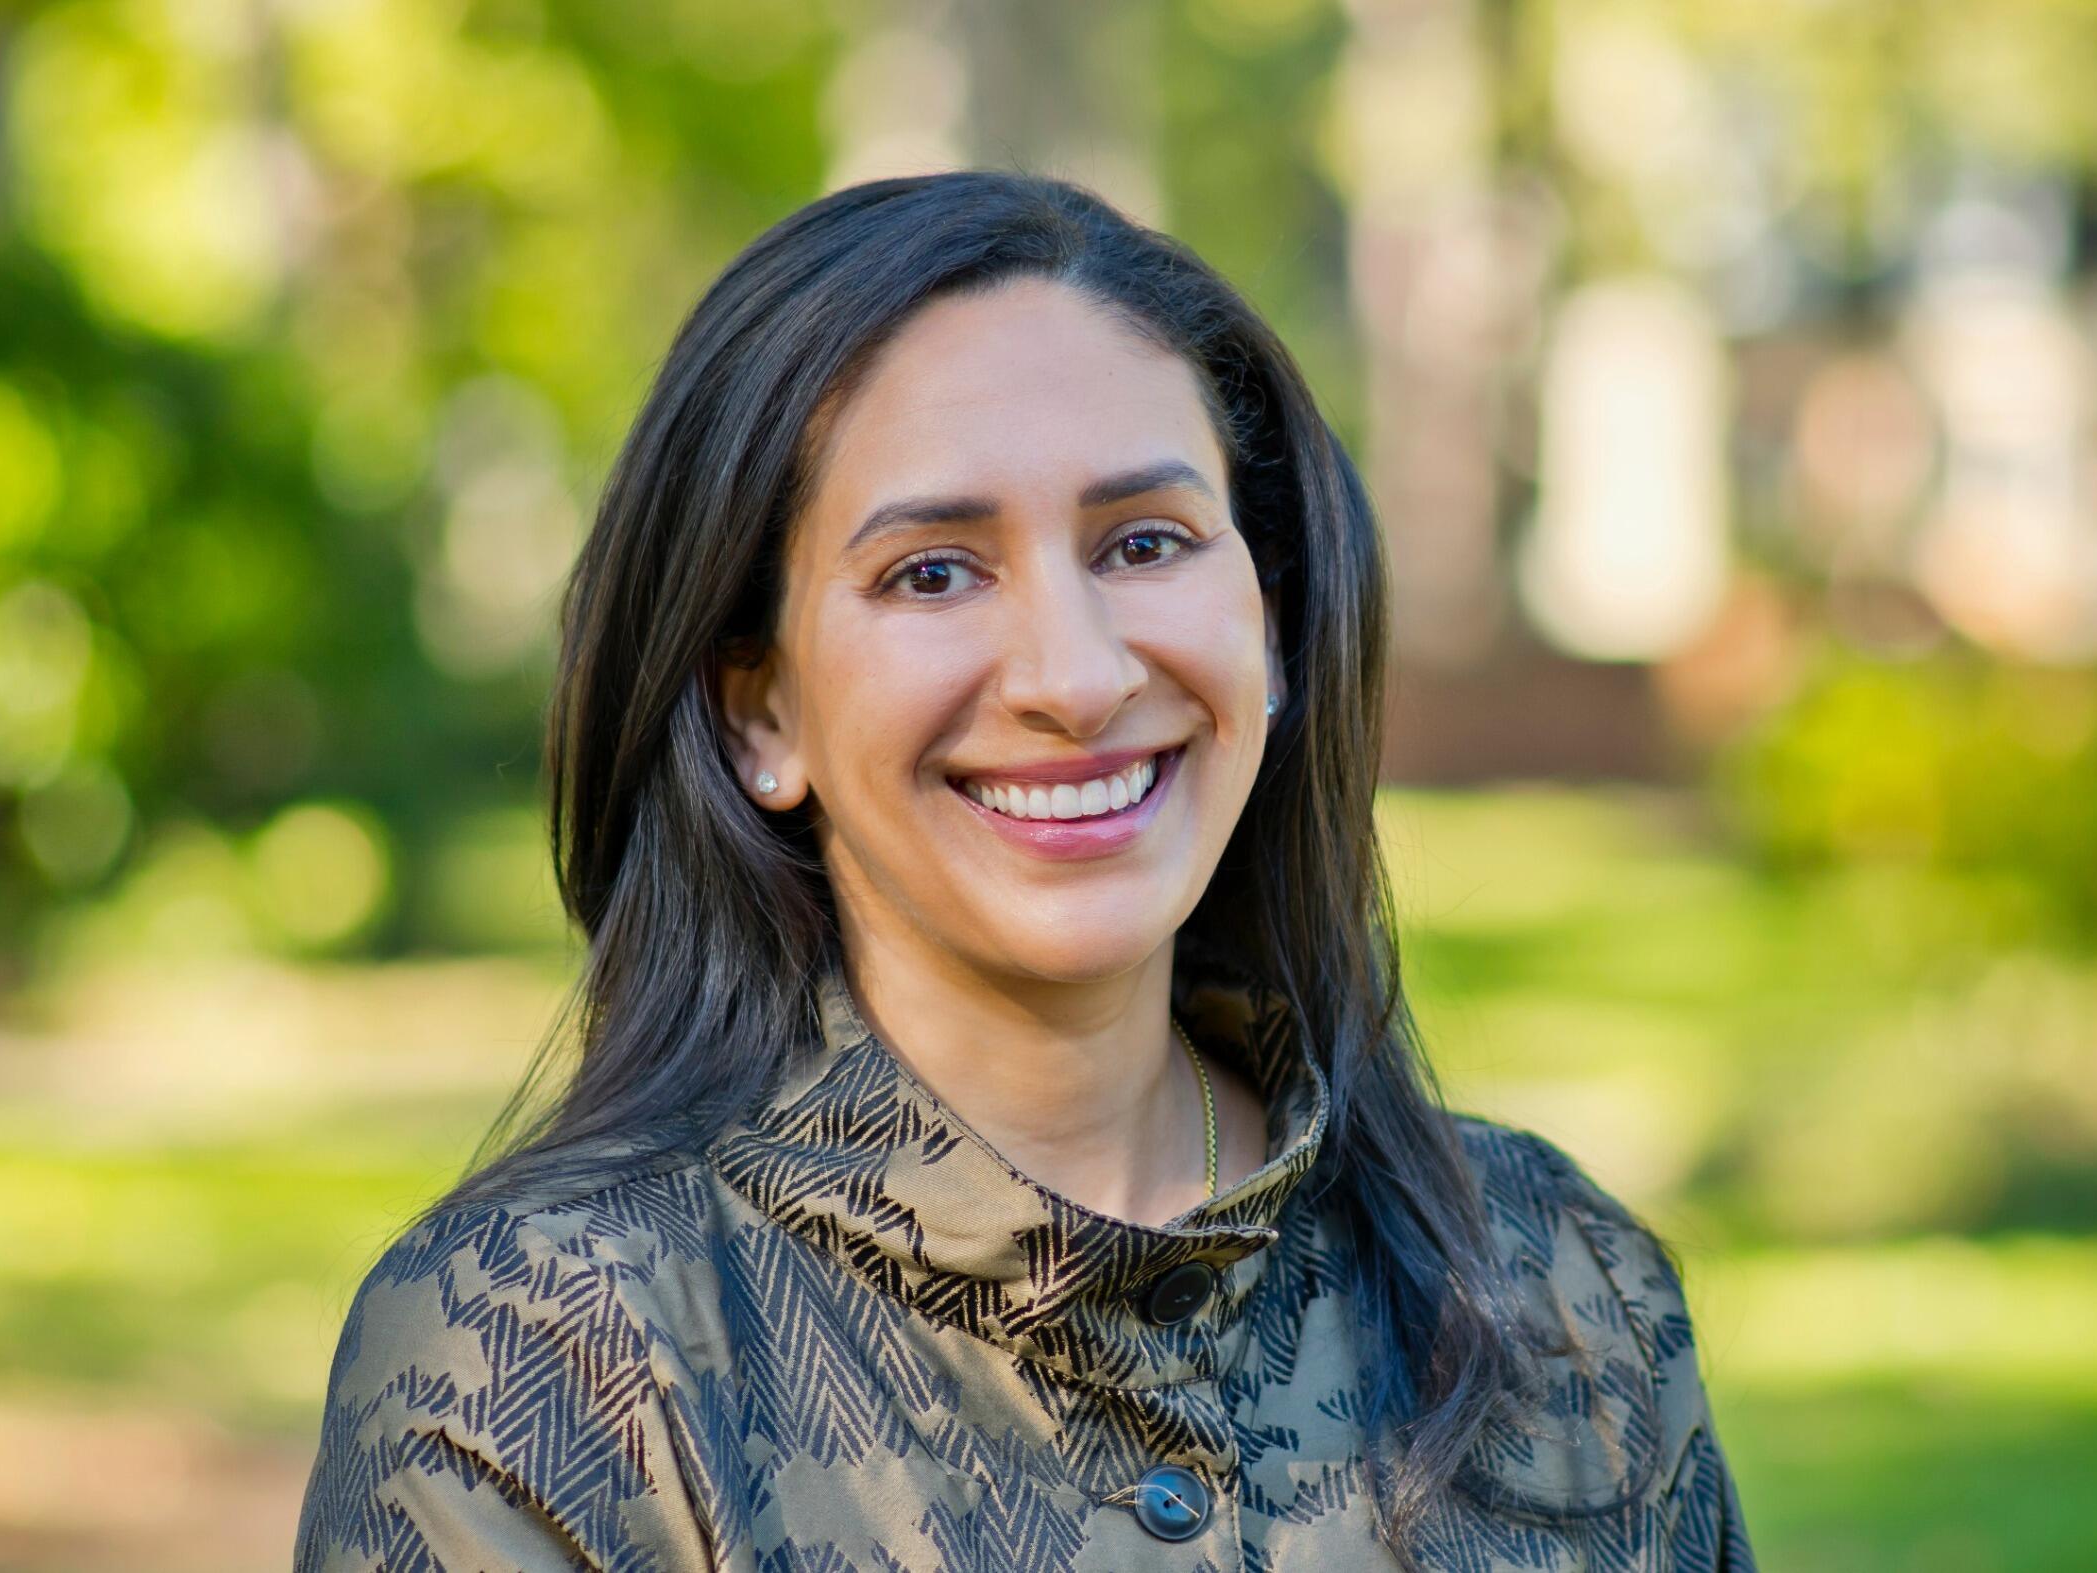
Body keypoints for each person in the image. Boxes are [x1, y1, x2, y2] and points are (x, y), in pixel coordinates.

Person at [292, 169, 1756, 1572]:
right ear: (761, 708)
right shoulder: (538, 1357)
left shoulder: (1556, 1288)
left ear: (1271, 620)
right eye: (933, 569)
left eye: (1144, 541)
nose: (1074, 673)